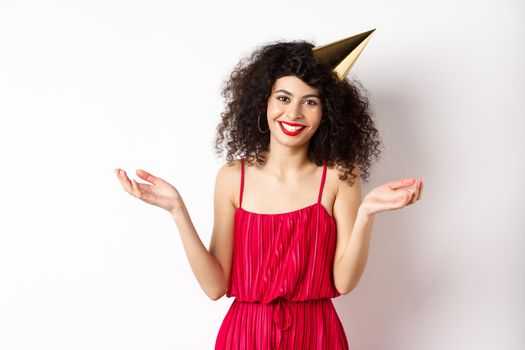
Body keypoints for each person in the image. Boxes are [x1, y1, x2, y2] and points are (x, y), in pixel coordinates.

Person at [115, 32, 424, 349]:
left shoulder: (339, 176)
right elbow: (214, 287)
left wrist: (366, 213)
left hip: (317, 336)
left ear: (327, 112)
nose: (293, 114)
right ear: (263, 101)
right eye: (284, 98)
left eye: (310, 102)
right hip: (246, 336)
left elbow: (344, 282)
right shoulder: (233, 177)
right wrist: (178, 211)